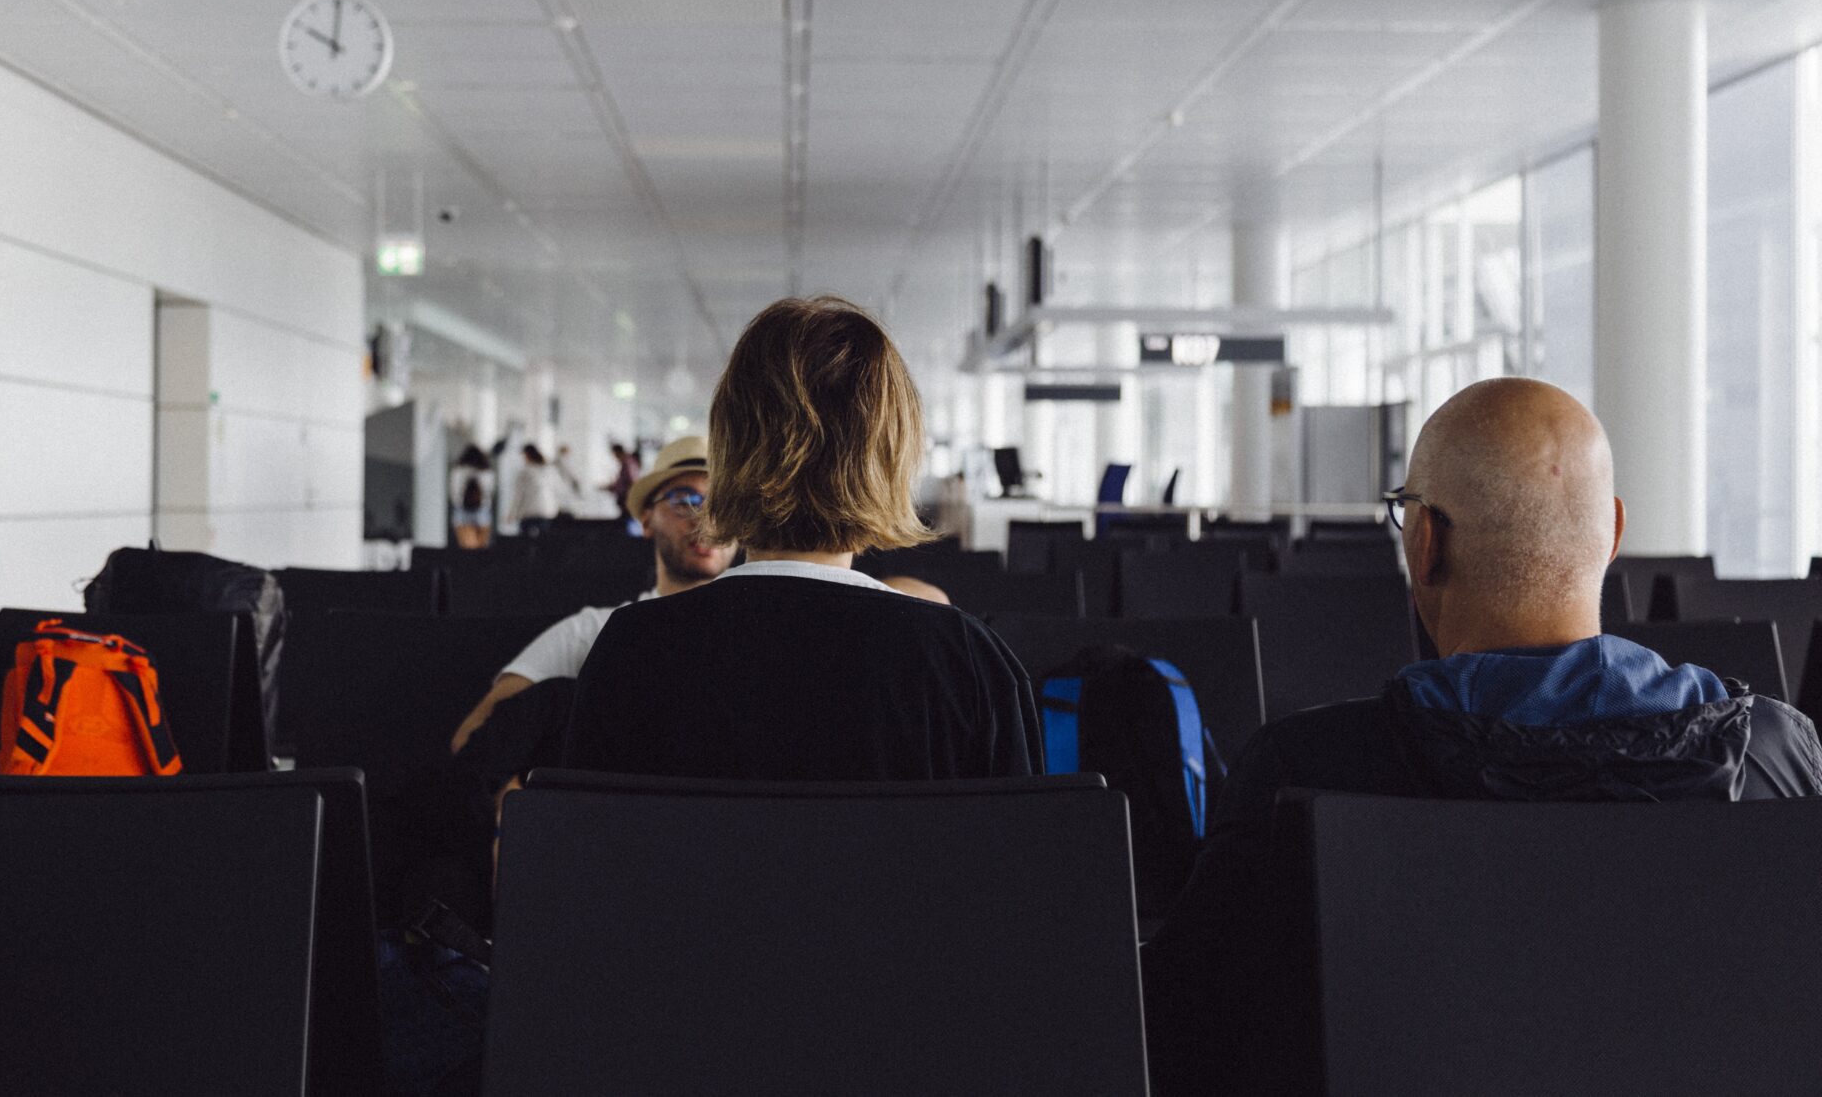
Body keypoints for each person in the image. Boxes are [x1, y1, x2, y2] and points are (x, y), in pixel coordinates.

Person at [1142, 377, 1822, 1095]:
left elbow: (1181, 1040)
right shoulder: (1774, 753)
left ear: (1425, 541)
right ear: (1613, 533)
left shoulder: (1306, 770)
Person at [559, 296, 1039, 781]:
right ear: (892, 460)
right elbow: (1014, 855)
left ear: (729, 451)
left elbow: (586, 849)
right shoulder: (968, 667)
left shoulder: (632, 649)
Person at [449, 436, 734, 753]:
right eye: (684, 501)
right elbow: (473, 736)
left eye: (722, 505)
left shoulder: (753, 636)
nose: (706, 522)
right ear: (647, 519)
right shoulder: (594, 631)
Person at [508, 443, 560, 537]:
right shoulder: (550, 470)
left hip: (530, 513)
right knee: (544, 542)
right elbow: (557, 490)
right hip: (548, 512)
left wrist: (512, 515)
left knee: (525, 543)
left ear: (527, 455)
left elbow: (519, 495)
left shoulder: (525, 471)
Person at [448, 445, 493, 551]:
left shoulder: (458, 471)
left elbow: (454, 492)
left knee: (468, 550)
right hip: (483, 511)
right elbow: (490, 492)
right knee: (481, 549)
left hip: (462, 511)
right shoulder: (487, 472)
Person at [606, 442, 640, 518]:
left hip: (626, 497)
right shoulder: (627, 463)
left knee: (626, 519)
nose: (615, 457)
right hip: (625, 497)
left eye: (615, 454)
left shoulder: (628, 463)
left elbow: (632, 481)